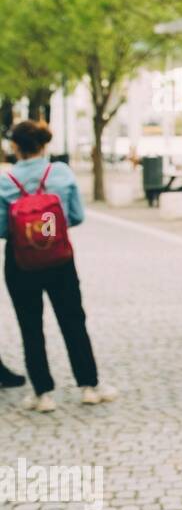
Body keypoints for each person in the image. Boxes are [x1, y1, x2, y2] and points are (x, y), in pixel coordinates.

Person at [0, 120, 116, 412]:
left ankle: (43, 394)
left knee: (30, 326)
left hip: (20, 261)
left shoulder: (5, 181)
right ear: (44, 144)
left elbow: (2, 228)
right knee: (73, 320)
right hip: (59, 259)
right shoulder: (61, 173)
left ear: (15, 147)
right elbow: (76, 216)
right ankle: (89, 386)